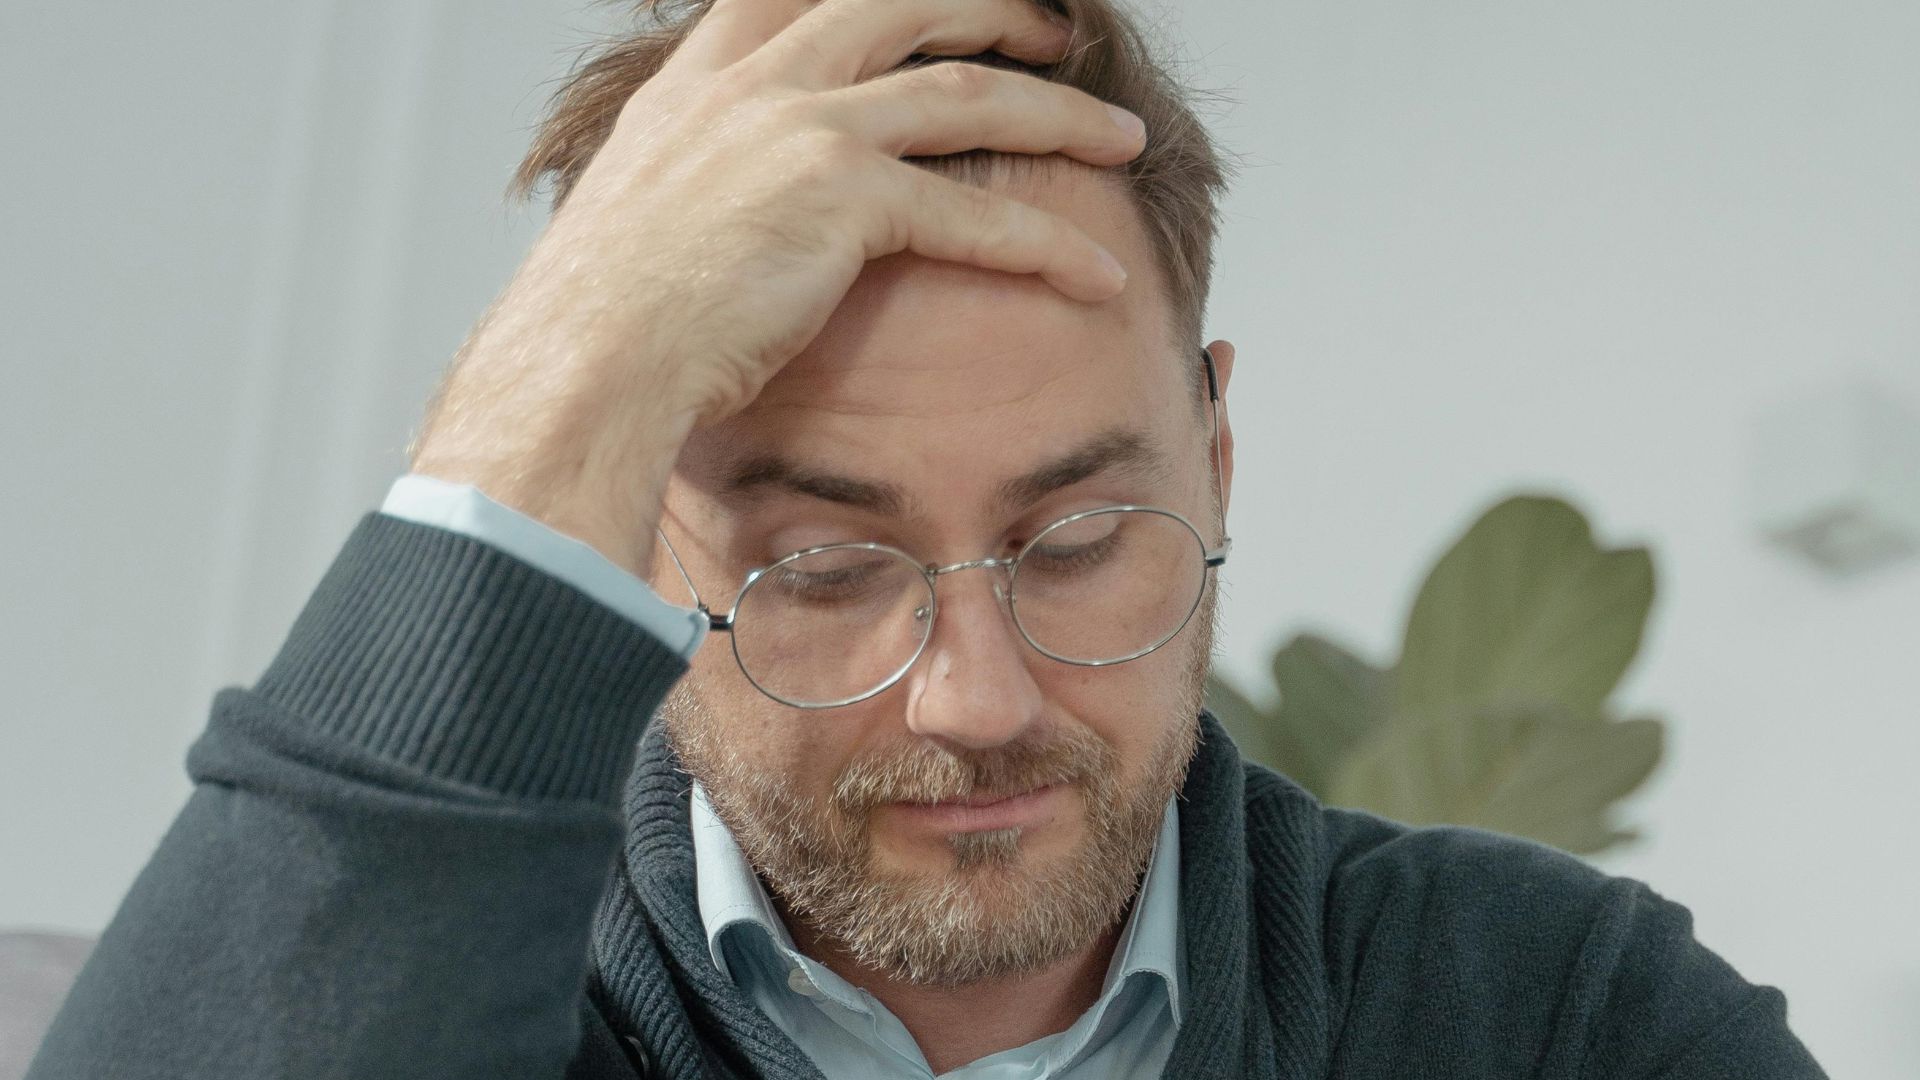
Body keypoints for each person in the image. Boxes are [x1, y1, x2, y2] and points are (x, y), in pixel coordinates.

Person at [27, 0, 1825, 1077]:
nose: (977, 699)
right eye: (822, 567)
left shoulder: (1550, 1013)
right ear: (644, 526)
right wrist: (559, 383)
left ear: (1215, 450)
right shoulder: (453, 1003)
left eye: (1078, 536)